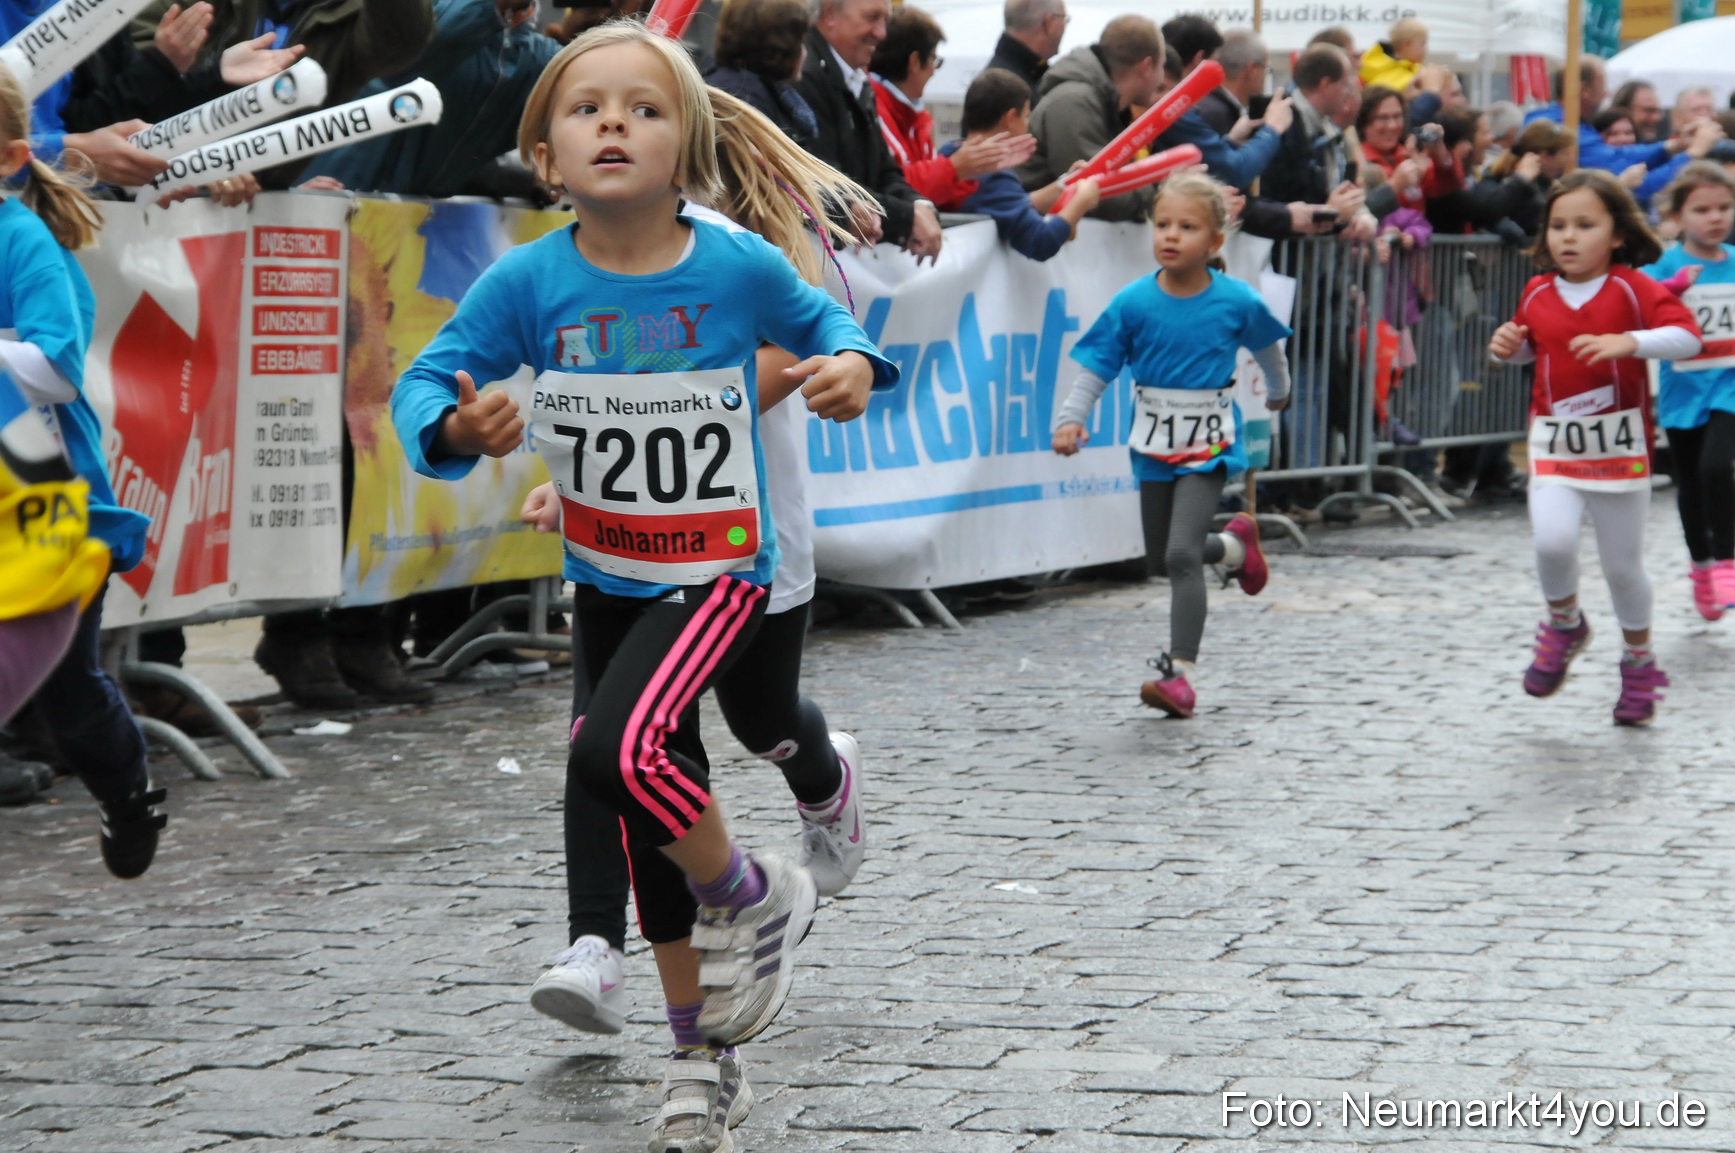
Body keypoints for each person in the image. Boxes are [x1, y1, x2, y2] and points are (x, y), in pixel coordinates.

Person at [389, 20, 899, 1138]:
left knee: (612, 749)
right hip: (608, 570)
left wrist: (853, 368)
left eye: (644, 108)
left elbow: (833, 327)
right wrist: (457, 426)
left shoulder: (732, 263)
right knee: (641, 793)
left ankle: (753, 896)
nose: (613, 123)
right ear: (545, 154)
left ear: (690, 147)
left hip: (721, 567)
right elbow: (425, 376)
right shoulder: (530, 277)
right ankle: (695, 1053)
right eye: (585, 109)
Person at [0, 63, 164, 876]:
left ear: (7, 157)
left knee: (69, 701)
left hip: (51, 513)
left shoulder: (22, 240)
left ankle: (128, 788)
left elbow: (56, 365)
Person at [1051, 173, 1290, 717]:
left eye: (1187, 227)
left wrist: (1279, 391)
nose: (1171, 236)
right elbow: (1097, 366)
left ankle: (1181, 674)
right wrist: (1071, 419)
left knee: (1181, 554)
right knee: (1162, 556)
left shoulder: (1234, 300)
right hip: (1153, 444)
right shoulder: (1134, 302)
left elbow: (1268, 345)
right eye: (1163, 224)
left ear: (1215, 242)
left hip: (1208, 447)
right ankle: (1234, 548)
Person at [1488, 169, 1702, 726]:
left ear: (1617, 234)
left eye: (1585, 225)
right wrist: (1506, 346)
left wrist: (1629, 341)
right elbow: (1527, 350)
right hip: (1555, 444)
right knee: (1552, 541)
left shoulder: (1633, 287)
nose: (1568, 237)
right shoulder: (1536, 290)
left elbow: (1686, 336)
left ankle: (1639, 663)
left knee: (1621, 567)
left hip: (1619, 447)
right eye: (1558, 225)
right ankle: (1565, 624)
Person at [1019, 16, 1286, 219]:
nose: (1163, 81)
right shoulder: (1075, 101)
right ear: (1147, 67)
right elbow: (1094, 194)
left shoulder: (1097, 100)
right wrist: (1166, 193)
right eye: (1161, 68)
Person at [300, 0, 560, 197]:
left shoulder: (533, 56)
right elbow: (403, 65)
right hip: (318, 196)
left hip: (404, 231)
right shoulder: (428, 14)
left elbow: (467, 154)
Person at [1642, 163, 1735, 619]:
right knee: (1691, 481)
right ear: (1678, 216)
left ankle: (1726, 559)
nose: (1715, 218)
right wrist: (1669, 289)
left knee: (1717, 467)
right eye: (1702, 209)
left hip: (1729, 386)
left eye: (1724, 207)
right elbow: (1634, 300)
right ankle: (1700, 567)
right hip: (1683, 389)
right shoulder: (1666, 265)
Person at [795, 0, 942, 260]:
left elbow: (885, 172)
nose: (882, 33)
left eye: (885, 20)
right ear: (830, 14)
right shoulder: (804, 76)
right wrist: (907, 218)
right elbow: (823, 180)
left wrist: (920, 207)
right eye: (873, 17)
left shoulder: (857, 79)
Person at [868, 5, 1032, 211]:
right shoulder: (875, 111)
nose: (934, 72)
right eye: (934, 60)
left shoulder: (908, 114)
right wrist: (955, 168)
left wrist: (970, 170)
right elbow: (890, 190)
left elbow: (931, 196)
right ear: (915, 62)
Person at [940, 68, 1099, 259]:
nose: (1027, 125)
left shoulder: (948, 153)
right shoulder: (992, 174)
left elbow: (1013, 204)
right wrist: (1082, 201)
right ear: (1009, 118)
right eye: (1025, 117)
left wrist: (1064, 184)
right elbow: (1040, 241)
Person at [705, 0, 822, 148]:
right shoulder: (742, 101)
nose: (805, 53)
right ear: (780, 48)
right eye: (801, 43)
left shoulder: (760, 93)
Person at [1196, 27, 1266, 139]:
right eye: (1265, 69)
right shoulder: (1218, 116)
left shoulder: (1202, 104)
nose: (1265, 76)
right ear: (1252, 70)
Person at [987, 0, 1066, 98]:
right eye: (1065, 20)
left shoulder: (995, 82)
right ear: (1048, 23)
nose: (1064, 27)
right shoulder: (1007, 90)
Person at [1358, 16, 1427, 92]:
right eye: (1422, 44)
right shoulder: (1392, 74)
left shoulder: (1413, 69)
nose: (1425, 49)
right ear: (1406, 44)